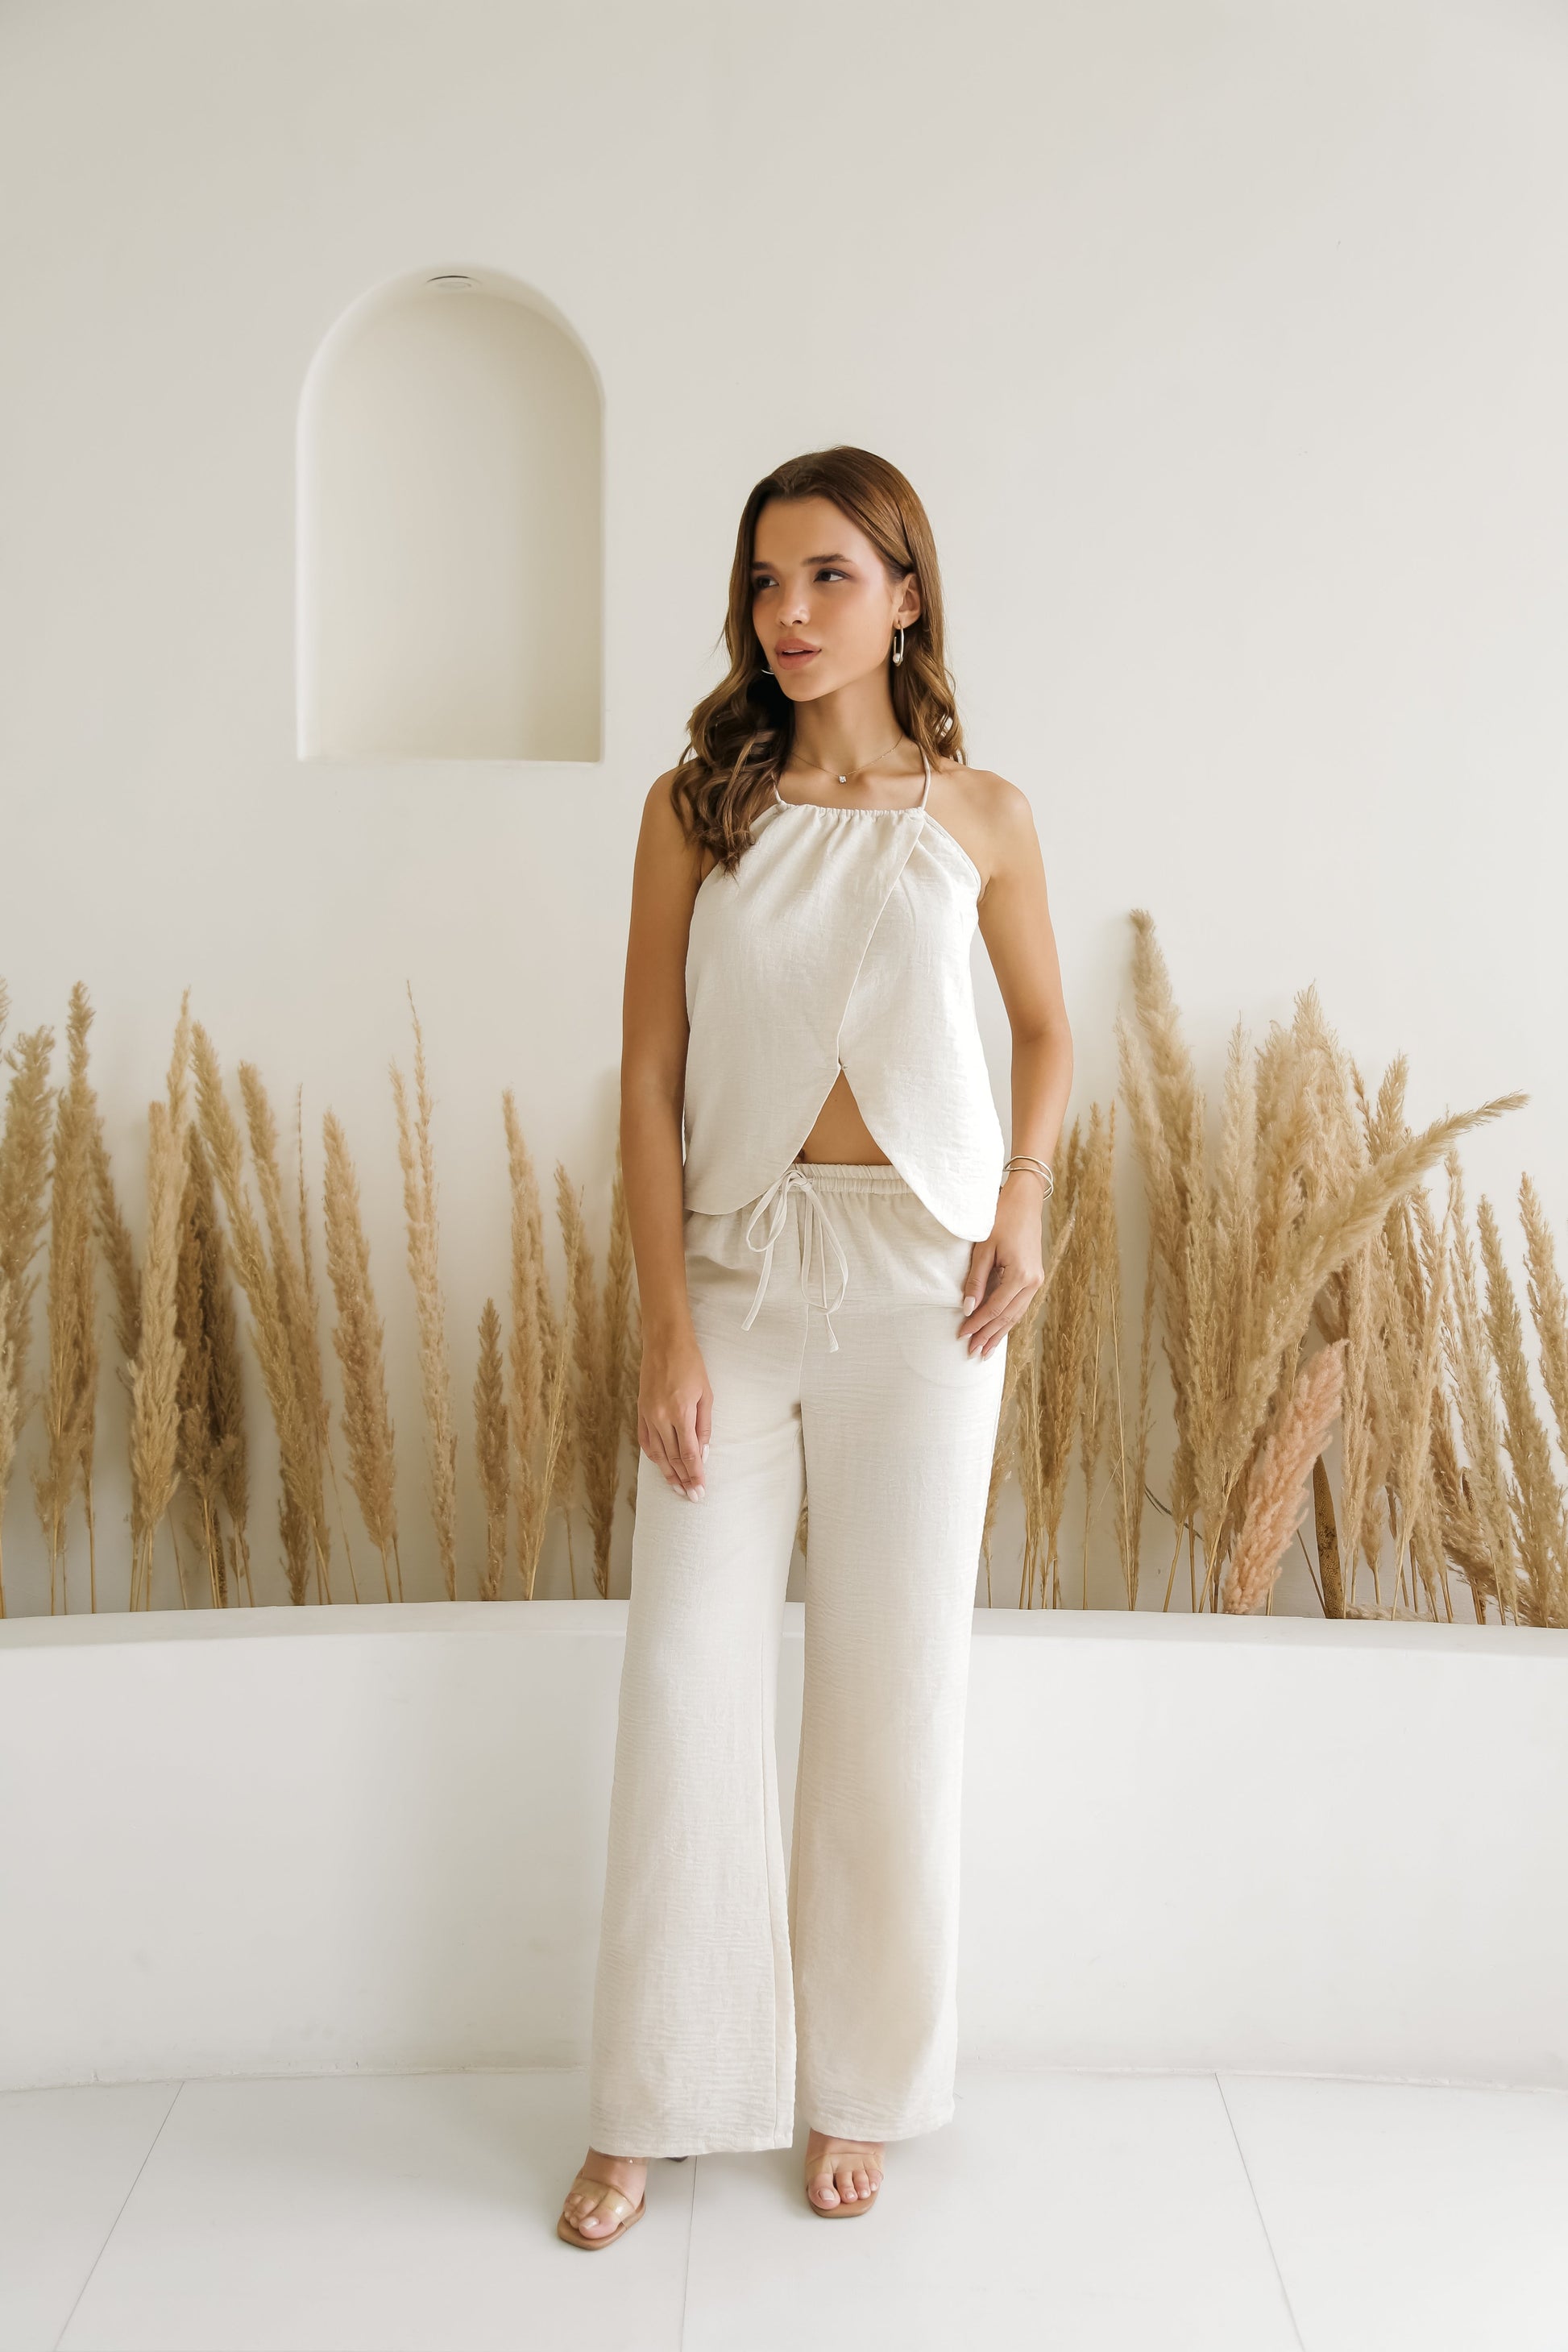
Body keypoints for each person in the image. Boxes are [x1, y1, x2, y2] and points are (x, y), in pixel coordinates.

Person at [557, 446, 1072, 2248]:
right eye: (765, 581)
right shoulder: (697, 809)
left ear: (904, 596)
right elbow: (645, 1072)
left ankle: (859, 2084)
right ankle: (654, 2097)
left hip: (929, 1299)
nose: (788, 613)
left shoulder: (983, 813)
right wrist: (663, 1324)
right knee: (685, 1683)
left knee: (890, 1690)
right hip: (735, 1278)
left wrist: (1021, 1197)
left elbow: (1045, 1032)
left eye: (829, 576)